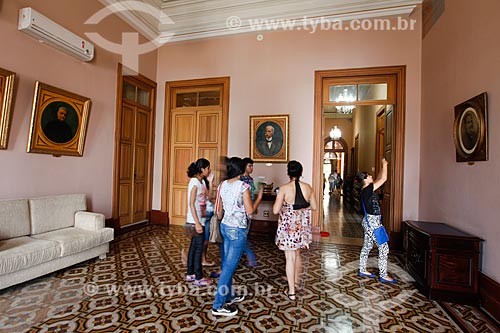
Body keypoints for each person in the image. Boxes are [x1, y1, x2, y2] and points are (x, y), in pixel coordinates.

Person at [212, 157, 263, 317]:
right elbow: (250, 211)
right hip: (237, 230)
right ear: (241, 170)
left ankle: (228, 296)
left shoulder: (222, 185)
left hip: (225, 226)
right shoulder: (243, 186)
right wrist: (259, 198)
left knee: (227, 263)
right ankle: (218, 305)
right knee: (228, 268)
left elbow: (219, 212)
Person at [273, 160, 317, 301]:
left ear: (288, 172)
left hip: (288, 229)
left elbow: (275, 210)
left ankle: (291, 291)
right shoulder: (308, 187)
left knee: (290, 258)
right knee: (297, 255)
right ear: (301, 172)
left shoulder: (284, 189)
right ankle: (296, 282)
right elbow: (314, 207)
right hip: (302, 228)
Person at [357, 158, 397, 283]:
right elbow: (383, 179)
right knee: (384, 248)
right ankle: (384, 275)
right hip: (373, 222)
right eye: (369, 175)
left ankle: (362, 269)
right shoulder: (368, 189)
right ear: (364, 179)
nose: (371, 176)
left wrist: (381, 166)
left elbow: (379, 178)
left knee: (367, 246)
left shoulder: (365, 189)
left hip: (368, 221)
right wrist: (385, 165)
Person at [185, 158, 213, 287]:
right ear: (202, 169)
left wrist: (210, 182)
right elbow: (191, 204)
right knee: (198, 249)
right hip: (194, 221)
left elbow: (209, 198)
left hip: (198, 220)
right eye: (207, 168)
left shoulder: (201, 182)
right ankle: (198, 277)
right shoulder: (194, 183)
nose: (209, 170)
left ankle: (190, 273)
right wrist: (197, 223)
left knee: (194, 247)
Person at [240, 157, 258, 267]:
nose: (251, 168)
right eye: (249, 166)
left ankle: (248, 256)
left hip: (249, 208)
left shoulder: (250, 179)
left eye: (252, 166)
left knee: (244, 233)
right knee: (243, 234)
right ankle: (249, 256)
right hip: (242, 209)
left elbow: (252, 194)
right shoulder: (241, 179)